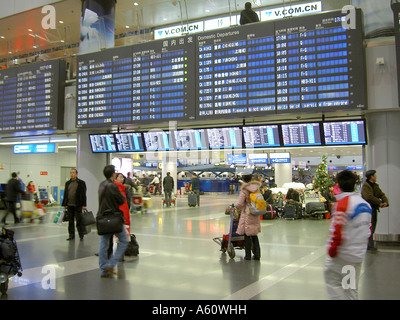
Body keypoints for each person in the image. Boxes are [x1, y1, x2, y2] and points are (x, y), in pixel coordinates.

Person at [324, 170, 372, 300]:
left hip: (342, 255)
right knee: (350, 287)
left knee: (333, 282)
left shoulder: (343, 204)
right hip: (357, 255)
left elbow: (337, 231)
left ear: (338, 185)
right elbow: (368, 230)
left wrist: (332, 251)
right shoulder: (365, 204)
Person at [97, 165, 129, 278]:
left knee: (104, 243)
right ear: (113, 174)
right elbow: (121, 200)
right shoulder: (113, 186)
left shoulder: (101, 185)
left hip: (102, 218)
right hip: (114, 218)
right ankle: (111, 264)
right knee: (124, 240)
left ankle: (103, 269)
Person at [361, 170, 389, 251]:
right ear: (371, 177)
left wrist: (385, 202)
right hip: (367, 210)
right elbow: (369, 197)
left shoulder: (375, 186)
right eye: (375, 175)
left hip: (373, 209)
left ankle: (370, 244)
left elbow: (381, 194)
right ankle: (369, 245)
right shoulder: (366, 186)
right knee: (369, 227)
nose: (376, 176)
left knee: (372, 226)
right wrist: (380, 203)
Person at [235, 174, 261, 260]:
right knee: (254, 234)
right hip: (255, 211)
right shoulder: (256, 188)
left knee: (247, 234)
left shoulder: (244, 189)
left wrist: (234, 205)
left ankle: (248, 255)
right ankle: (257, 255)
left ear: (243, 180)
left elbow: (240, 203)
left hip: (247, 212)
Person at [62, 168, 87, 241]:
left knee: (79, 221)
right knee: (70, 221)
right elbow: (65, 194)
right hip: (69, 205)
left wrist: (84, 205)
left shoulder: (81, 183)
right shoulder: (67, 183)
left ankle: (81, 235)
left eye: (73, 173)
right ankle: (71, 235)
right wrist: (64, 204)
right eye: (70, 173)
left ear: (76, 174)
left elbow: (83, 195)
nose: (71, 174)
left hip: (78, 205)